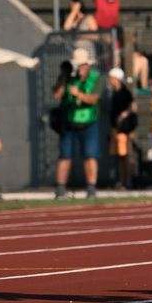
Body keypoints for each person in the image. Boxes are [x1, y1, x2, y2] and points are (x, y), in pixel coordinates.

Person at [54, 46, 102, 198]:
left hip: (89, 122)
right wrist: (64, 77)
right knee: (65, 156)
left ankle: (91, 189)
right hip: (69, 123)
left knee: (90, 155)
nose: (80, 68)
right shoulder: (69, 78)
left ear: (87, 65)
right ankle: (60, 190)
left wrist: (78, 94)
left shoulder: (96, 78)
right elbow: (57, 95)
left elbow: (94, 99)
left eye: (82, 65)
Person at [107, 66, 138, 189]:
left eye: (111, 78)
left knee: (125, 155)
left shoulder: (125, 92)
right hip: (116, 128)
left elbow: (132, 108)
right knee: (119, 156)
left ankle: (128, 181)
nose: (110, 80)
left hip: (123, 129)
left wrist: (124, 115)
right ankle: (122, 180)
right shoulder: (115, 92)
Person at [88, 0, 123, 66]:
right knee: (105, 52)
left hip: (113, 30)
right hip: (101, 30)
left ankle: (114, 70)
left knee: (115, 53)